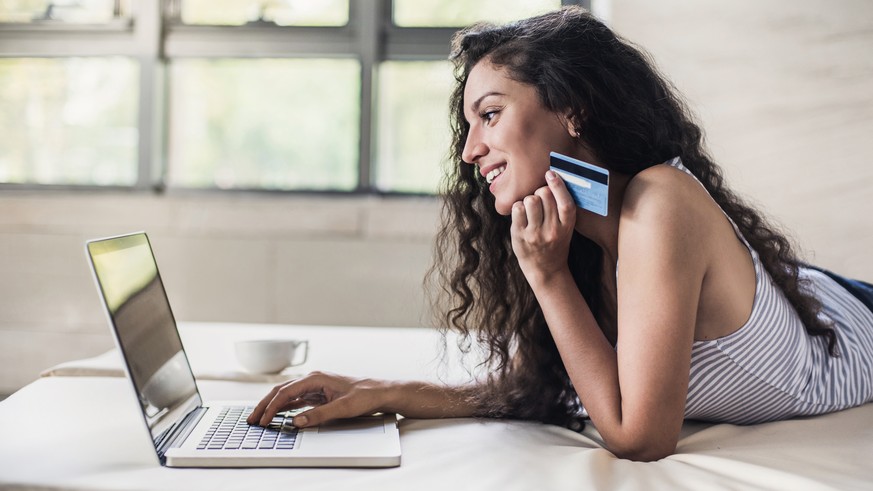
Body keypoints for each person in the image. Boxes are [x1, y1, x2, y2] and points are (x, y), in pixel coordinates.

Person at [247, 6, 873, 461]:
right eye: (470, 125)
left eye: (490, 114)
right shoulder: (588, 230)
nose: (470, 150)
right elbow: (559, 387)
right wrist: (386, 392)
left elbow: (638, 436)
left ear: (571, 108)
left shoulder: (662, 203)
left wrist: (545, 276)